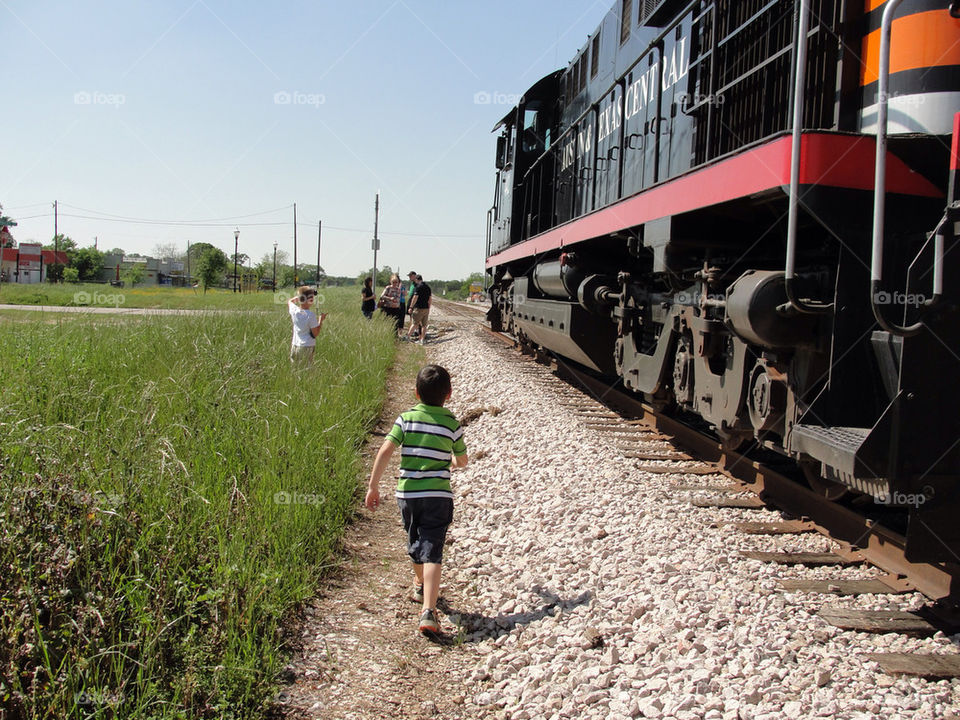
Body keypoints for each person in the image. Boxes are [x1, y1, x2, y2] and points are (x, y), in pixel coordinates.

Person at [365, 364, 468, 635]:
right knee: (433, 548)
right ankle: (428, 611)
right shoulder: (451, 423)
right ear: (449, 395)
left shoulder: (406, 418)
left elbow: (386, 450)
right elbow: (463, 460)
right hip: (438, 496)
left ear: (416, 393)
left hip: (408, 495)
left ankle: (421, 585)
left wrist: (373, 486)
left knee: (414, 542)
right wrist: (453, 461)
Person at [288, 286, 325, 365]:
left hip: (295, 345)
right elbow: (315, 333)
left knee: (295, 369)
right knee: (307, 371)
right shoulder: (310, 315)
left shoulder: (294, 310)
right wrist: (320, 320)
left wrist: (300, 296)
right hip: (307, 346)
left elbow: (290, 301)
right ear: (310, 300)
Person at [406, 274, 432, 345]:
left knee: (414, 323)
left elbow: (415, 298)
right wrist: (428, 307)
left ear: (417, 280)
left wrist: (411, 307)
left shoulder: (418, 287)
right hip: (426, 308)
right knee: (424, 325)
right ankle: (422, 339)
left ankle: (407, 337)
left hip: (418, 308)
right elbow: (430, 299)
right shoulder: (428, 287)